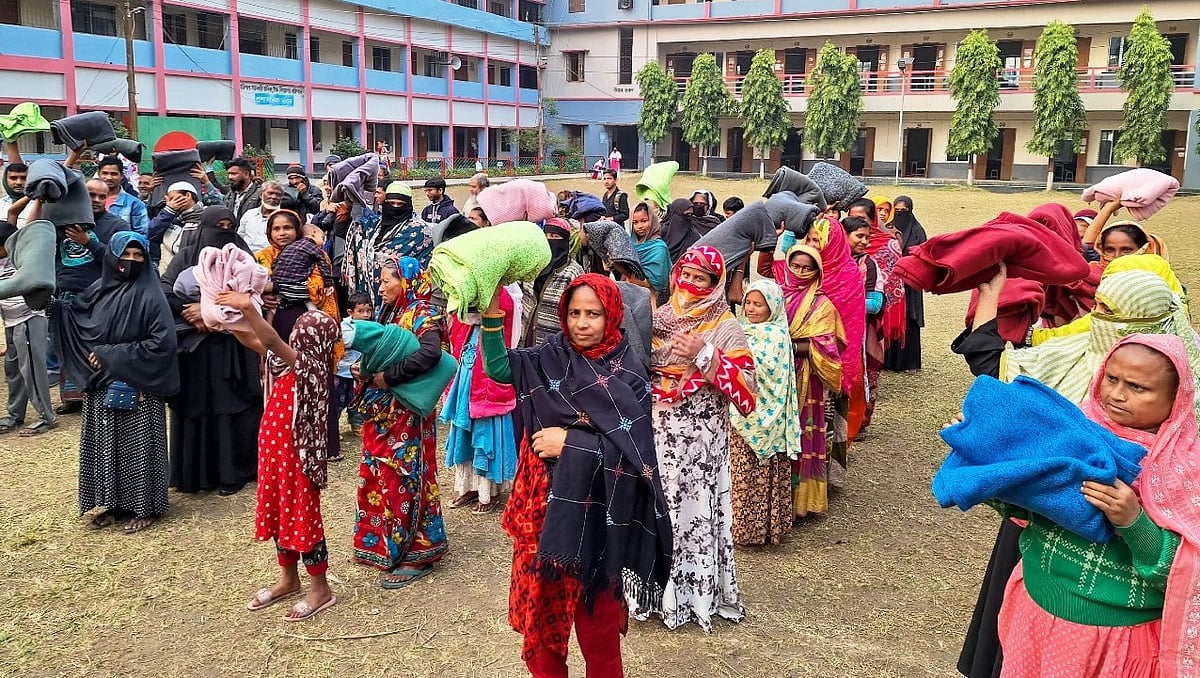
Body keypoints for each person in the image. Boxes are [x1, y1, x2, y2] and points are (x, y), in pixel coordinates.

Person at [952, 264, 1200, 678]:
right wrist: (992, 459)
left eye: (1137, 388)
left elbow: (1185, 573)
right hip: (1033, 608)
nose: (1117, 395)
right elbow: (1028, 512)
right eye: (1112, 379)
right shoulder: (1077, 429)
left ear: (1178, 398)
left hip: (1114, 637)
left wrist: (1133, 521)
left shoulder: (1183, 467)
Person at [478, 273, 672, 677]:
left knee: (598, 632)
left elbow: (635, 458)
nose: (582, 323)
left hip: (598, 519)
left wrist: (571, 444)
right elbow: (498, 369)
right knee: (543, 627)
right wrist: (492, 311)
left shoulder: (628, 376)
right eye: (574, 313)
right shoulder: (549, 355)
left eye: (594, 314)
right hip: (542, 516)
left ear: (612, 316)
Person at [639, 244, 757, 631]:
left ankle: (694, 596)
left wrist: (704, 353)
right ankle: (653, 596)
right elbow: (637, 365)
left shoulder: (725, 326)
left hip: (701, 442)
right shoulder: (657, 318)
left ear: (715, 284)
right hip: (658, 432)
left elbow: (748, 393)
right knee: (656, 508)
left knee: (692, 513)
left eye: (701, 278)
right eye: (686, 274)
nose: (690, 284)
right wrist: (664, 359)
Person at [52, 231, 179, 534]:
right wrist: (56, 309)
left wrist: (111, 354)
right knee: (107, 444)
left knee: (139, 446)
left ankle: (146, 506)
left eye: (138, 256)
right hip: (102, 383)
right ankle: (114, 502)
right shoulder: (98, 290)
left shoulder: (151, 295)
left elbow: (162, 343)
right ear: (112, 256)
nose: (131, 261)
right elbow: (79, 319)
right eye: (125, 254)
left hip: (138, 382)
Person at [221, 300, 340, 622]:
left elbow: (271, 340)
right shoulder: (288, 363)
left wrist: (248, 309)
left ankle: (320, 588)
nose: (296, 336)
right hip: (275, 454)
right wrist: (224, 319)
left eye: (303, 333)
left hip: (299, 459)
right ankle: (288, 579)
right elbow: (254, 341)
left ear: (316, 341)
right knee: (278, 512)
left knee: (303, 517)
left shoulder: (312, 369)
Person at [350, 258, 449, 588]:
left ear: (406, 281)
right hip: (381, 415)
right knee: (381, 476)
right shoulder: (387, 313)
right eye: (379, 281)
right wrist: (364, 373)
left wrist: (388, 378)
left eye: (386, 280)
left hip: (407, 416)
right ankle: (384, 544)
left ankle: (417, 552)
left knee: (406, 477)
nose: (380, 287)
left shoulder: (422, 312)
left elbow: (430, 354)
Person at [162, 207, 264, 497]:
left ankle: (235, 472)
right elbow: (166, 289)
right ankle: (195, 474)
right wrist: (190, 312)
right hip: (194, 346)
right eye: (216, 225)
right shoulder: (186, 256)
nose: (223, 231)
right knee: (195, 405)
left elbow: (251, 296)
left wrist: (212, 313)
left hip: (233, 346)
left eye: (228, 225)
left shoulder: (243, 257)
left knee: (232, 405)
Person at [773, 242, 846, 517]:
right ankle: (776, 499)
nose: (800, 272)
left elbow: (827, 345)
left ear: (817, 271)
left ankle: (801, 502)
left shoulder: (822, 304)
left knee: (802, 434)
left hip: (806, 379)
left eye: (807, 268)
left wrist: (784, 344)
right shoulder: (774, 295)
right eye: (795, 266)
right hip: (776, 376)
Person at [729, 279, 801, 546]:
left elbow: (766, 373)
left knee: (759, 471)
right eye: (748, 302)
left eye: (758, 304)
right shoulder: (740, 331)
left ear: (773, 306)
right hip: (741, 412)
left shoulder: (778, 335)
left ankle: (762, 530)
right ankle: (739, 529)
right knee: (740, 471)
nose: (750, 308)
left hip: (765, 417)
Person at [0, 219, 55, 436]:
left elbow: (28, 283)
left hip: (29, 318)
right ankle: (15, 414)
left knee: (32, 370)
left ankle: (46, 416)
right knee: (13, 370)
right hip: (11, 321)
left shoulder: (23, 258)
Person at [344, 181, 434, 306]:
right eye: (391, 203)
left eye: (400, 204)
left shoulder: (420, 231)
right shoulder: (371, 225)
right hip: (366, 296)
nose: (395, 207)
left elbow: (420, 269)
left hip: (398, 299)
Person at [842, 215, 885, 438]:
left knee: (861, 378)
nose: (865, 242)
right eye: (859, 236)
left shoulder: (869, 264)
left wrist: (842, 301)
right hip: (833, 330)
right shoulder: (828, 262)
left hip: (862, 332)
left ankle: (858, 424)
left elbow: (875, 304)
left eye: (867, 237)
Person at [521, 218, 583, 347]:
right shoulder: (533, 267)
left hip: (555, 351)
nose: (549, 241)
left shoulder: (573, 273)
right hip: (525, 345)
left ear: (565, 241)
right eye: (546, 236)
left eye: (555, 236)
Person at [883, 195, 927, 373]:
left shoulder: (918, 231)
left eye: (904, 211)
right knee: (891, 320)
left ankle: (909, 362)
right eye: (897, 211)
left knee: (909, 320)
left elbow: (924, 256)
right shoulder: (888, 229)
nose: (901, 215)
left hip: (910, 284)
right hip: (891, 284)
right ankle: (888, 361)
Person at [335, 293, 372, 436]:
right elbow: (348, 341)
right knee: (338, 402)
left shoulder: (370, 325)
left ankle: (356, 424)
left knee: (356, 399)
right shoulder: (345, 326)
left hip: (358, 372)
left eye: (368, 311)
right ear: (351, 312)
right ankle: (333, 428)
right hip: (341, 371)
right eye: (361, 311)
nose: (365, 315)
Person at [148, 181, 204, 271]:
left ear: (188, 196)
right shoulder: (169, 216)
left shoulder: (205, 217)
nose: (169, 203)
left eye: (172, 198)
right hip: (167, 272)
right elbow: (151, 233)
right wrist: (168, 211)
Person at [96, 156, 149, 236]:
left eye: (114, 174)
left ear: (121, 176)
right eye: (105, 173)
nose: (109, 177)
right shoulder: (88, 200)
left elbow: (143, 235)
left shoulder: (134, 204)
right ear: (99, 174)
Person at [630, 201, 671, 298]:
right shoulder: (629, 244)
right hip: (631, 294)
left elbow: (658, 282)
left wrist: (633, 279)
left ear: (652, 221)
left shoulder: (659, 248)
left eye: (644, 221)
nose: (640, 226)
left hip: (651, 297)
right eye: (635, 222)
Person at [237, 180, 284, 252]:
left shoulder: (284, 218)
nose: (274, 197)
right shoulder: (249, 215)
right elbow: (240, 237)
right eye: (270, 193)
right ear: (261, 195)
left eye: (278, 194)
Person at [222, 158, 263, 223]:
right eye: (228, 174)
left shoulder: (260, 195)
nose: (230, 177)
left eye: (233, 174)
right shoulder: (230, 195)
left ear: (246, 174)